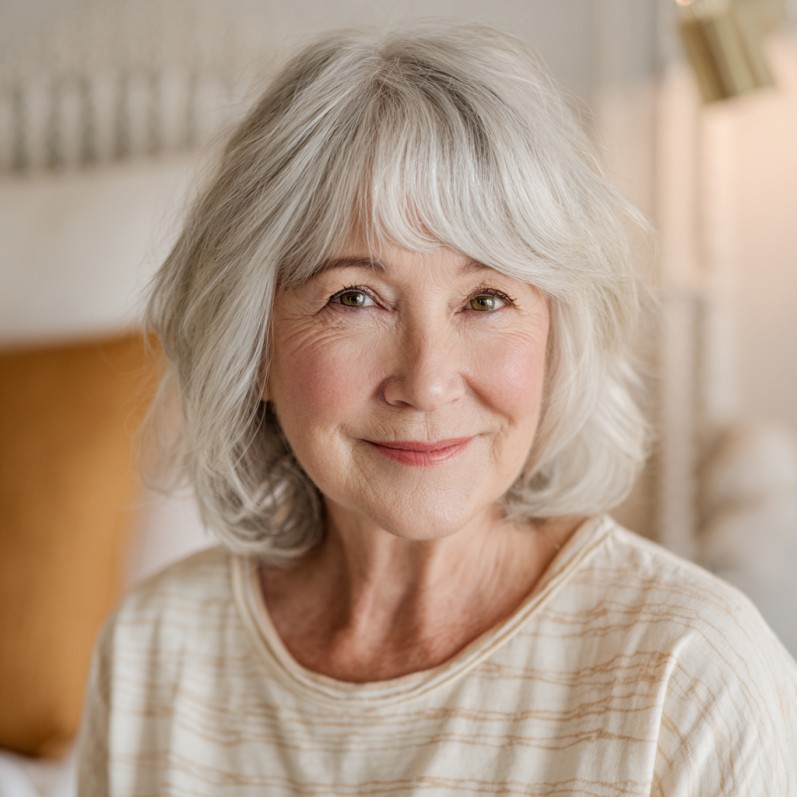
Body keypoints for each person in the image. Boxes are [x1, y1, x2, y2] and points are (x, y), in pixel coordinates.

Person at [77, 24, 797, 795]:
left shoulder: (691, 675)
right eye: (355, 297)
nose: (426, 382)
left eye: (485, 299)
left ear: (556, 339)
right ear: (252, 344)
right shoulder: (154, 651)